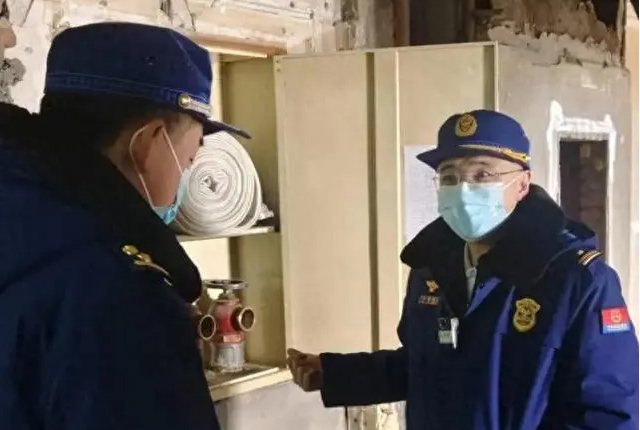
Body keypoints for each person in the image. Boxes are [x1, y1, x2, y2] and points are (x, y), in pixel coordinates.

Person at [287, 110, 639, 430]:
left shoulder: (576, 280)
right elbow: (424, 366)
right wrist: (335, 374)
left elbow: (609, 415)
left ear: (522, 184)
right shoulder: (431, 269)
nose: (463, 189)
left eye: (482, 174)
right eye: (450, 176)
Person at [0, 22, 249, 430]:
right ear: (149, 143)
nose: (185, 176)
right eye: (188, 162)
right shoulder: (122, 296)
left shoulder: (23, 221)